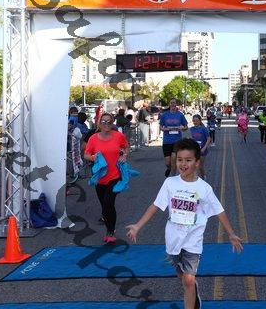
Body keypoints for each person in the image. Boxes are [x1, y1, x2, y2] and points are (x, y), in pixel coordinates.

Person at [126, 138, 243, 309]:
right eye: (180, 160)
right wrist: (138, 226)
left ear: (197, 163)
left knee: (188, 279)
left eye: (188, 160)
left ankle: (191, 297)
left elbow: (219, 210)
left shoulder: (204, 188)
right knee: (182, 275)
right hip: (173, 239)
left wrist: (231, 234)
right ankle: (193, 288)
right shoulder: (170, 183)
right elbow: (156, 205)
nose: (183, 164)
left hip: (193, 240)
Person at [84, 113, 130, 243]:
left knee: (109, 202)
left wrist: (124, 155)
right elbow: (86, 154)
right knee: (104, 206)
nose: (106, 124)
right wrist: (92, 158)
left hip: (115, 176)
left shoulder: (118, 136)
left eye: (109, 122)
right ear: (99, 123)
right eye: (103, 122)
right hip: (100, 178)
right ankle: (109, 226)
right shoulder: (93, 138)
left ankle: (110, 231)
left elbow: (126, 147)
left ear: (112, 123)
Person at [160, 99, 189, 177]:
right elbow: (161, 127)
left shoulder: (180, 115)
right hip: (167, 141)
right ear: (169, 104)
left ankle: (173, 178)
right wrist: (166, 129)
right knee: (168, 163)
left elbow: (186, 127)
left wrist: (181, 128)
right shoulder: (164, 115)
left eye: (174, 103)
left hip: (177, 141)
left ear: (176, 104)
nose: (173, 104)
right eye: (171, 103)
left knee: (173, 161)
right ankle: (169, 168)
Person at [189, 115, 212, 179]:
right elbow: (191, 138)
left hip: (202, 150)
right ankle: (195, 179)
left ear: (200, 121)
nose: (195, 122)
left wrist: (204, 148)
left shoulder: (204, 129)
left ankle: (204, 178)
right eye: (194, 121)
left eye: (197, 121)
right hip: (194, 150)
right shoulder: (191, 129)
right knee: (194, 165)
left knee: (200, 166)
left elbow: (208, 139)